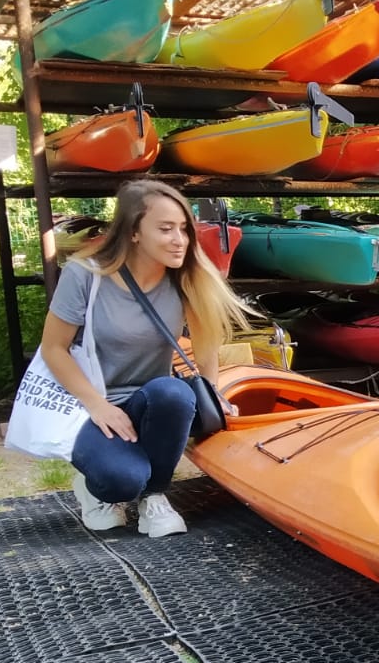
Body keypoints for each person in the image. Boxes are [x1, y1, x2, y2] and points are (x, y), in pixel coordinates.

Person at [38, 180, 253, 537]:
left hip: (148, 404)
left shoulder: (185, 277)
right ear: (134, 232)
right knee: (121, 482)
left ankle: (155, 496)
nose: (179, 239)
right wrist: (97, 406)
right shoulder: (85, 275)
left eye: (184, 229)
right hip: (92, 408)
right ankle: (96, 489)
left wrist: (213, 391)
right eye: (166, 229)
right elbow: (53, 348)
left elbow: (205, 338)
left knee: (174, 393)